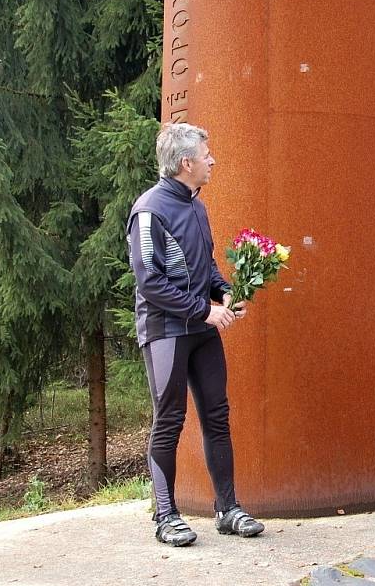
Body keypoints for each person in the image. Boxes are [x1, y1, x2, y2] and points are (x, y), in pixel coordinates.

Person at [126, 122, 264, 546]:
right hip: (166, 330)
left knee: (217, 417)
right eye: (207, 154)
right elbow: (150, 283)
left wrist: (226, 292)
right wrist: (206, 310)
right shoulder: (149, 210)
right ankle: (165, 516)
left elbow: (203, 269)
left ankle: (227, 509)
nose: (212, 160)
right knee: (168, 422)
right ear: (186, 162)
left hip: (201, 328)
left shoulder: (197, 206)